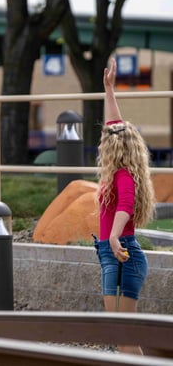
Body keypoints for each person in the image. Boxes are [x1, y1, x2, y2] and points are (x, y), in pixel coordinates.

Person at [94, 58, 154, 355]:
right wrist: (109, 90)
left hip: (122, 252)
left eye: (106, 140)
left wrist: (115, 236)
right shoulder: (121, 168)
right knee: (120, 334)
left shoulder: (122, 174)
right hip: (113, 252)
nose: (103, 142)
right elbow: (115, 126)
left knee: (124, 336)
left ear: (114, 147)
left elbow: (126, 205)